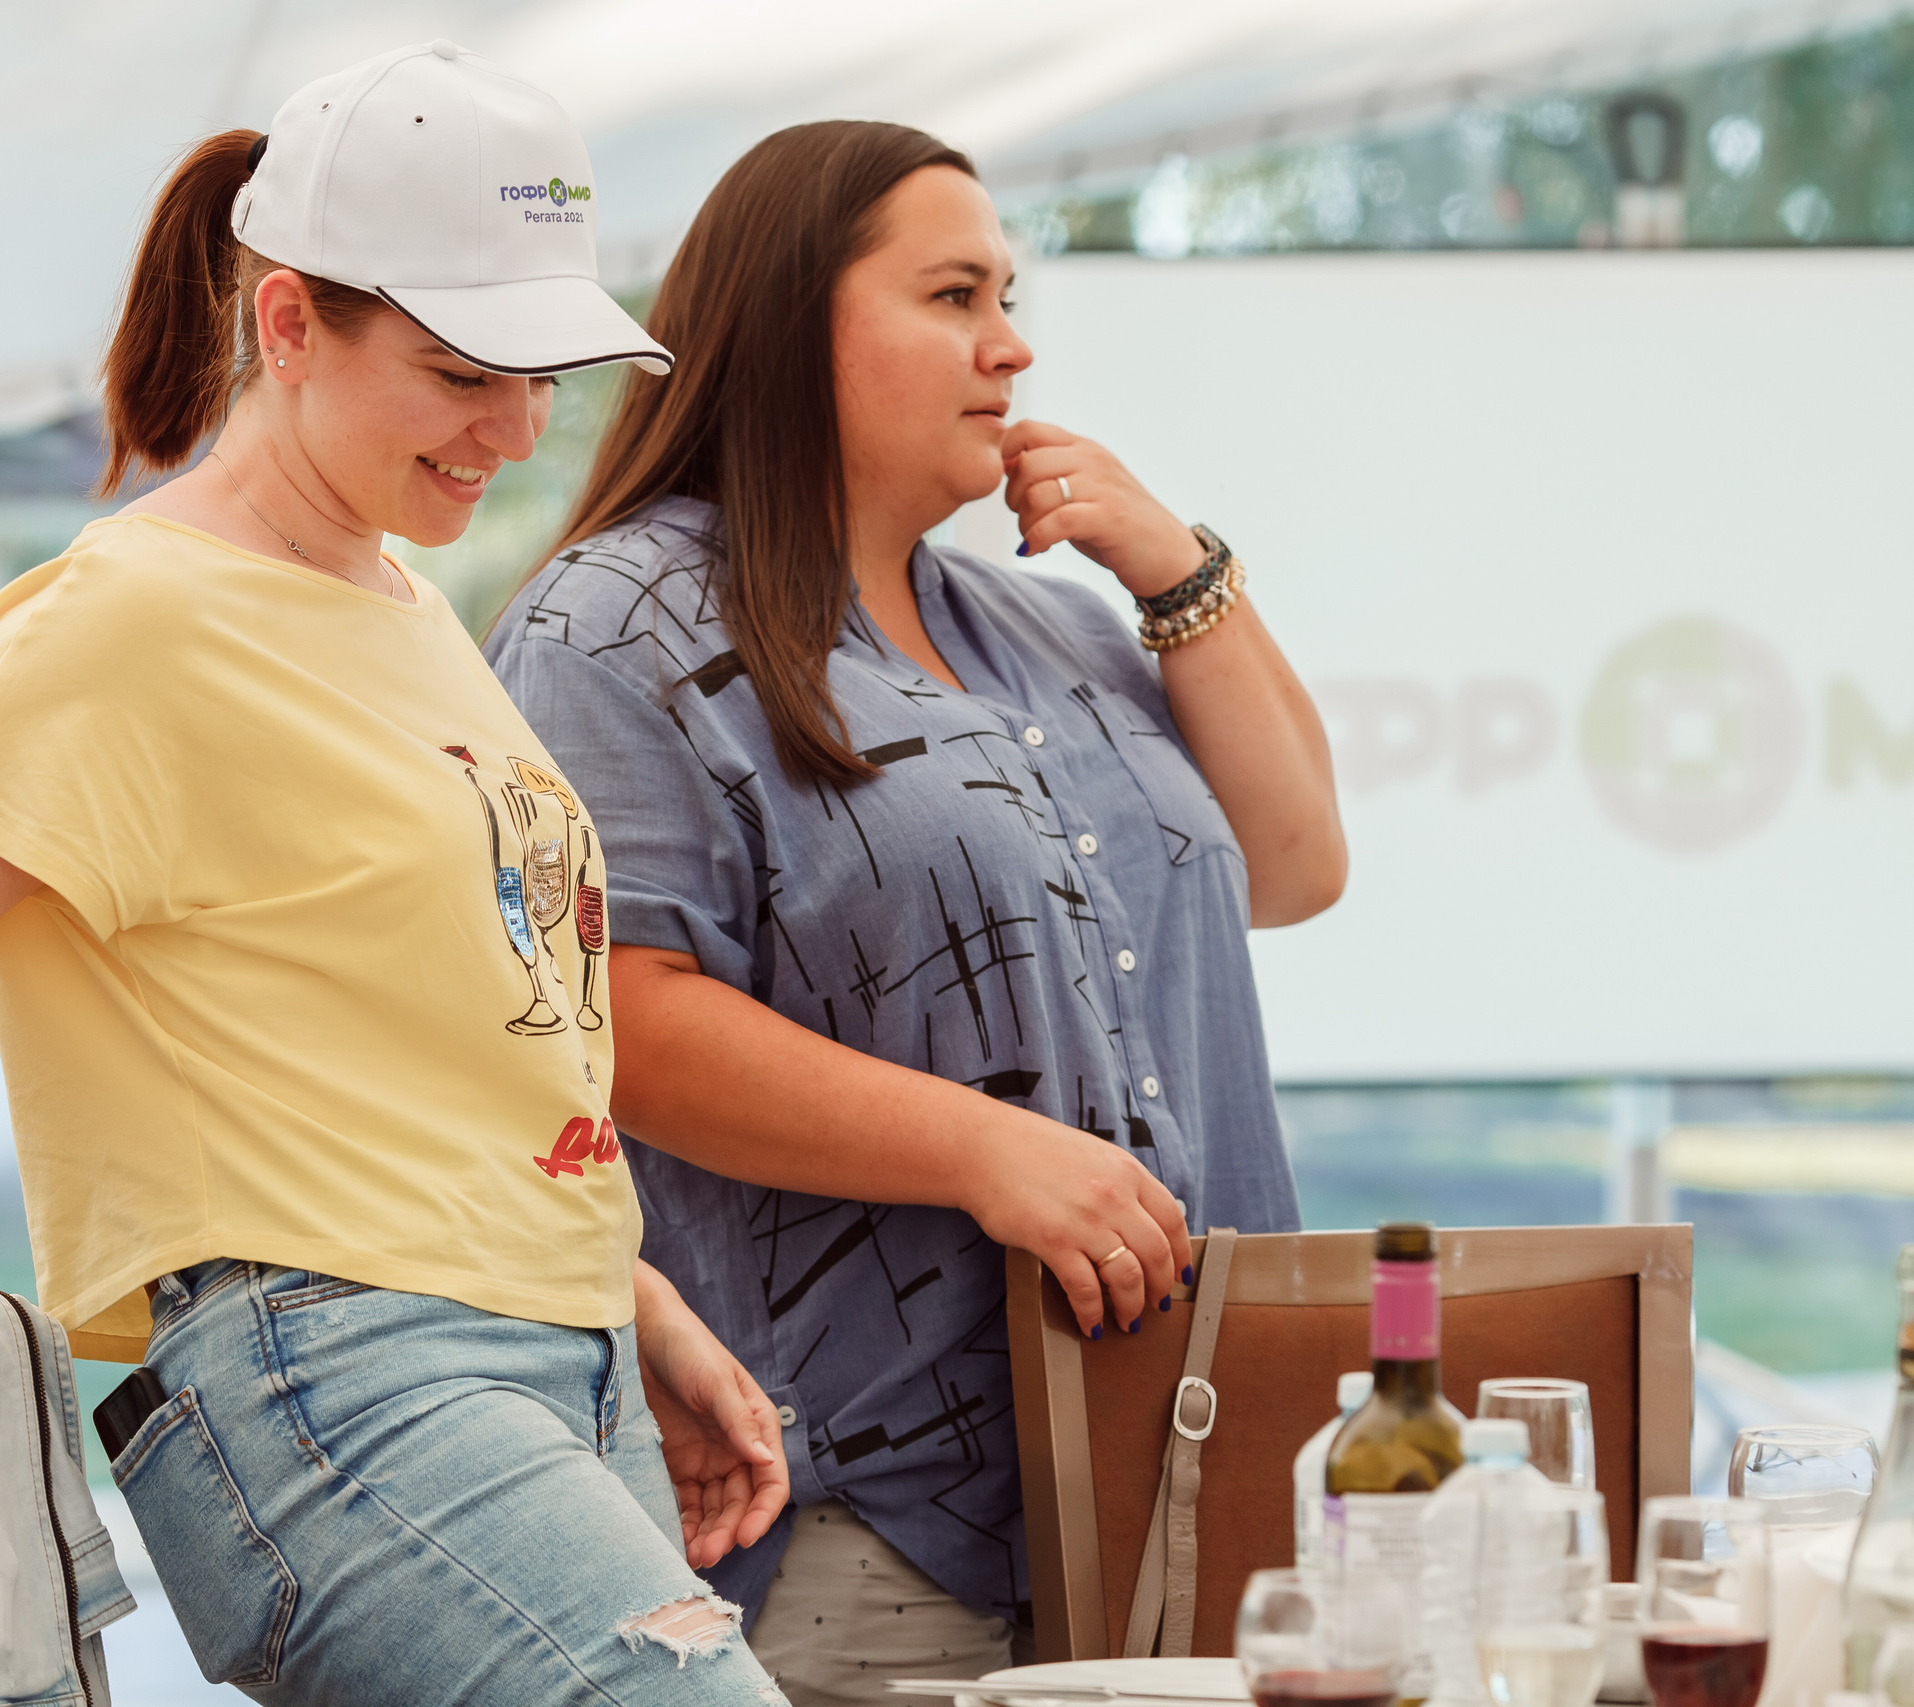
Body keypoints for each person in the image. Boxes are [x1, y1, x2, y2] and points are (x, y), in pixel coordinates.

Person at [0, 44, 793, 1707]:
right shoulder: (126, 623)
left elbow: (414, 1050)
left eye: (546, 371)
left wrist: (629, 1298)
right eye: (467, 372)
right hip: (340, 1379)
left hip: (548, 1362)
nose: (523, 431)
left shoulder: (402, 601)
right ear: (290, 325)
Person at [484, 120, 1346, 1702]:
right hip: (867, 1525)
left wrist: (1178, 569)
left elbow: (1294, 866)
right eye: (955, 295)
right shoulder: (614, 623)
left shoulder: (1058, 624)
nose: (1009, 347)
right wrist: (992, 1151)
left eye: (1010, 298)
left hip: (1188, 1483)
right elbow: (619, 1019)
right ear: (787, 317)